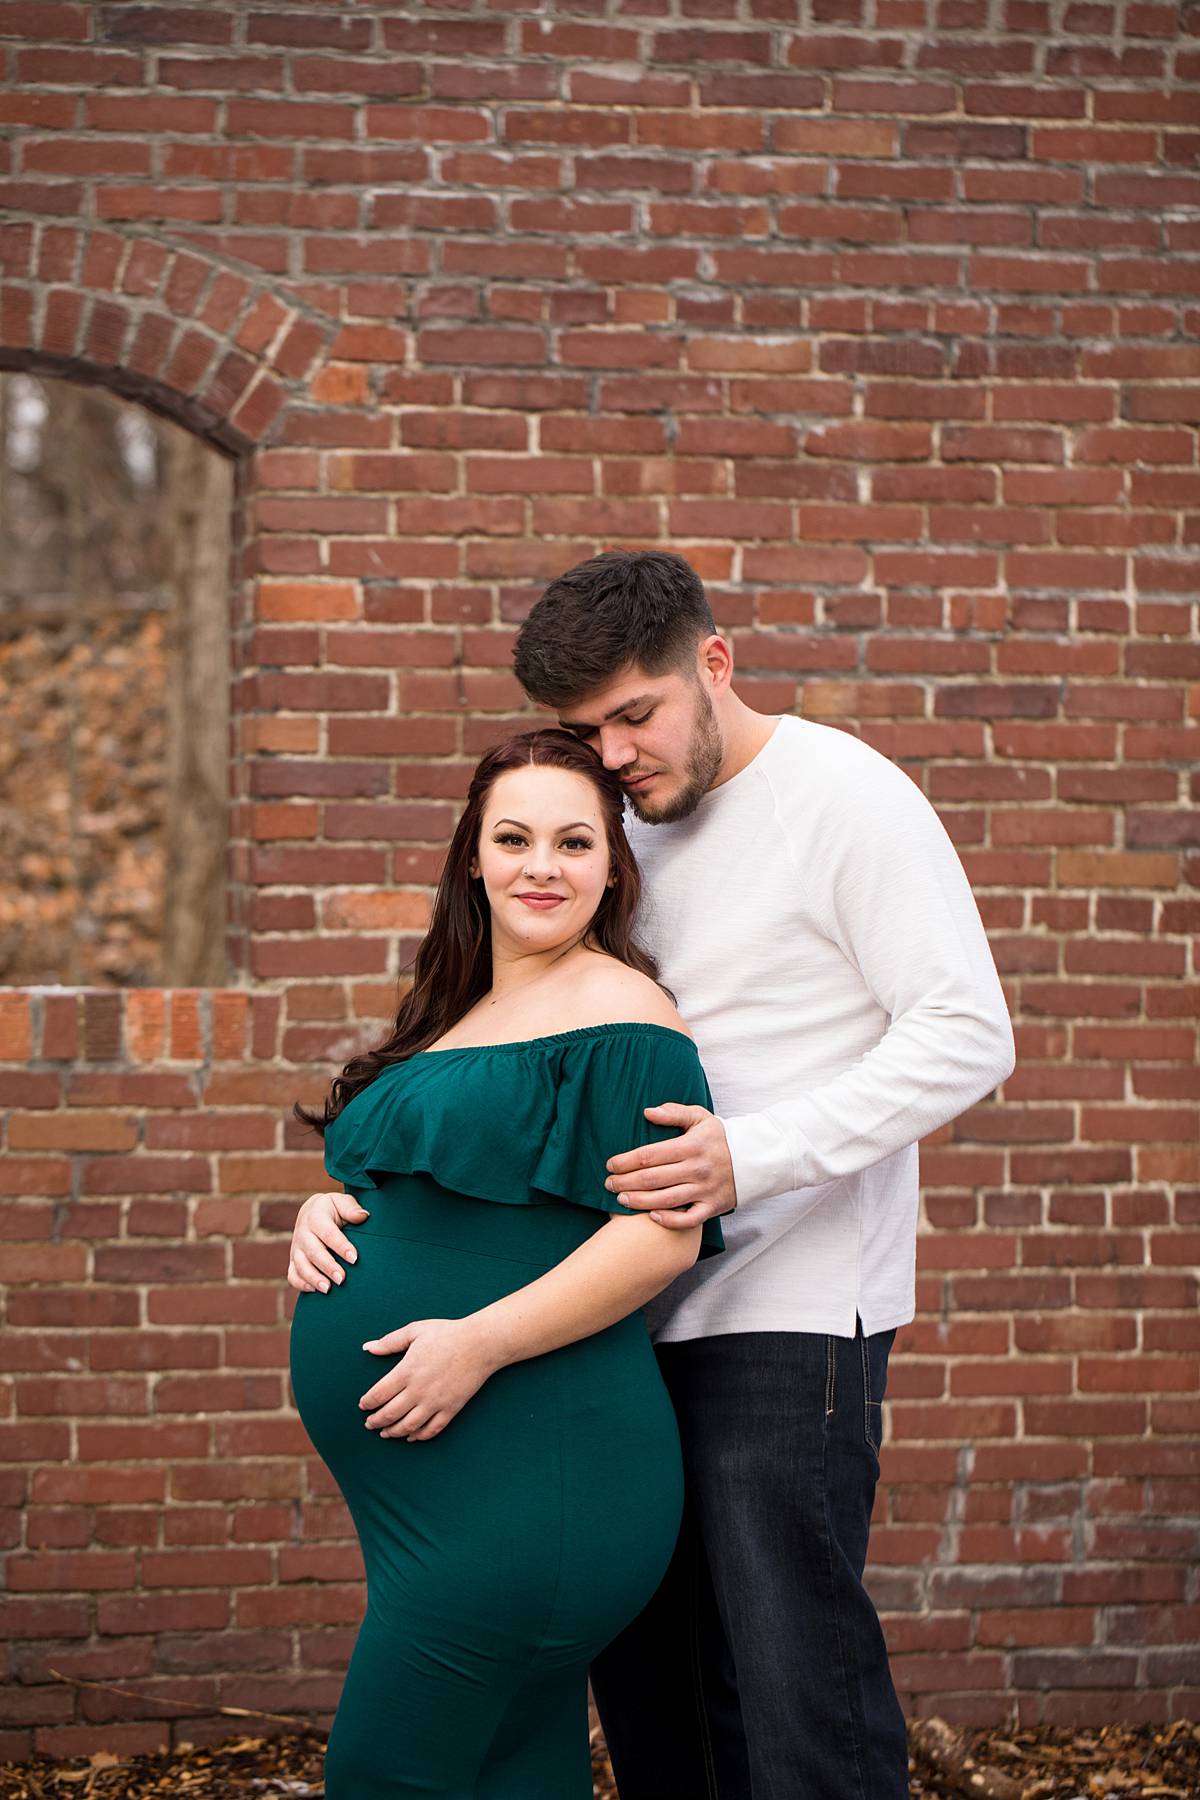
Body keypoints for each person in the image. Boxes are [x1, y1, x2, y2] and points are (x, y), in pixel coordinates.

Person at [291, 549, 1017, 1800]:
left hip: (786, 1314)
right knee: (653, 1708)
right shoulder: (627, 819)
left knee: (794, 1692)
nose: (617, 755)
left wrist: (751, 1158)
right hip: (615, 1337)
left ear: (714, 665)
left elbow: (967, 1035)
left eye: (638, 714)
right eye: (592, 730)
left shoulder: (842, 795)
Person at [287, 726, 726, 1800]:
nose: (543, 865)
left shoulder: (625, 1016)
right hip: (457, 1501)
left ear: (612, 867)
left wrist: (475, 1344)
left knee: (384, 1774)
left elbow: (659, 1233)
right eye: (515, 837)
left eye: (576, 842)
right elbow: (422, 1187)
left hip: (536, 1484)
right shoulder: (459, 1013)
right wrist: (325, 1209)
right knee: (510, 1770)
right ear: (472, 856)